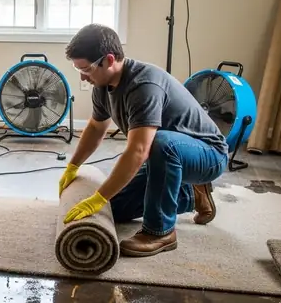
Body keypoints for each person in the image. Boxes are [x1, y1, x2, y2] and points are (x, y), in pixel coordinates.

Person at [58, 24, 228, 257]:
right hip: (164, 156)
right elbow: (96, 128)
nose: (82, 76)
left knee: (160, 144)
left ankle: (161, 232)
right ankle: (189, 194)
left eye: (86, 69)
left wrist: (98, 197)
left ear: (108, 60)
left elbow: (138, 151)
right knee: (112, 209)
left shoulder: (144, 85)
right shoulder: (102, 84)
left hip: (207, 155)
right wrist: (73, 166)